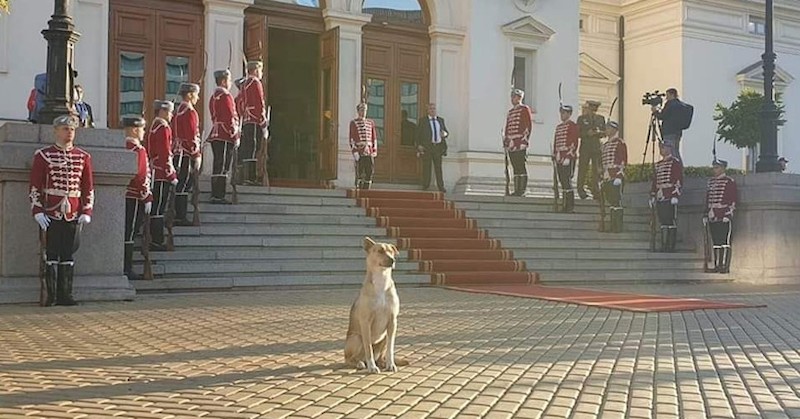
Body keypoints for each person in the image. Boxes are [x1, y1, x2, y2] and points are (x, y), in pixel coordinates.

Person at [29, 114, 94, 306]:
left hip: (73, 212)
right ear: (55, 131)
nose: (69, 133)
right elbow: (35, 186)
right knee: (51, 253)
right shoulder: (43, 155)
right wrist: (37, 210)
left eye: (72, 130)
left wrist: (87, 211)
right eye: (65, 129)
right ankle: (51, 295)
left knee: (68, 253)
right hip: (51, 211)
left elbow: (87, 187)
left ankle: (66, 294)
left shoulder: (83, 157)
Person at [145, 100, 178, 251]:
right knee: (158, 208)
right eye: (170, 112)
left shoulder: (153, 126)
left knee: (156, 207)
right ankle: (157, 240)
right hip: (161, 173)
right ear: (163, 111)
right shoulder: (163, 127)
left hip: (155, 170)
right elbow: (165, 153)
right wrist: (170, 174)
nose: (171, 115)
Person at [123, 116, 152, 280]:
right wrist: (146, 196)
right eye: (142, 129)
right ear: (134, 130)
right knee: (130, 233)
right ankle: (127, 267)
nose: (144, 132)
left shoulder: (121, 147)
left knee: (125, 231)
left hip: (123, 195)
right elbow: (140, 176)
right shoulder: (137, 150)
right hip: (134, 196)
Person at [172, 82, 202, 226]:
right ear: (190, 95)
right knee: (184, 185)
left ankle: (179, 214)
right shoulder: (189, 112)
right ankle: (180, 215)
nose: (198, 98)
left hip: (178, 152)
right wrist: (196, 154)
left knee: (181, 184)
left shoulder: (178, 111)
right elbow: (192, 136)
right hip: (186, 153)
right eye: (196, 94)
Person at [208, 69, 240, 204]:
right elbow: (229, 117)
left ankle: (215, 193)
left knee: (217, 164)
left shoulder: (213, 97)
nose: (231, 83)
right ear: (223, 81)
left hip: (216, 133)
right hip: (225, 134)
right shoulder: (226, 96)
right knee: (223, 166)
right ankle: (219, 195)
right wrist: (235, 134)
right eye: (229, 80)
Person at [704, 159, 737, 274]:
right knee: (716, 242)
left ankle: (724, 266)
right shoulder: (711, 182)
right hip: (713, 215)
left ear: (723, 168)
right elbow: (708, 199)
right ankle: (717, 265)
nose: (715, 170)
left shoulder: (729, 182)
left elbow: (732, 199)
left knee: (724, 242)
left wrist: (728, 214)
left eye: (717, 167)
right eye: (714, 167)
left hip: (724, 215)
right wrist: (706, 213)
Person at [238, 61, 268, 185]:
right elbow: (259, 104)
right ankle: (251, 178)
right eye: (260, 70)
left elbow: (240, 103)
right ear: (255, 70)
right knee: (253, 148)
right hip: (254, 119)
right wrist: (263, 122)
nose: (261, 73)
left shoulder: (244, 84)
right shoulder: (255, 83)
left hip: (246, 120)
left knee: (247, 148)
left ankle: (246, 177)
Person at [650, 142, 683, 252]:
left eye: (664, 147)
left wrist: (675, 195)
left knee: (670, 220)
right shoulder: (658, 164)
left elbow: (678, 179)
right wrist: (653, 195)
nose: (661, 149)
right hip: (661, 195)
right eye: (661, 147)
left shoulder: (675, 162)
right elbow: (655, 181)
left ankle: (670, 246)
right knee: (663, 221)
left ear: (669, 148)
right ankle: (664, 245)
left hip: (670, 195)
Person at [503, 88, 535, 196]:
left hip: (520, 142)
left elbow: (528, 126)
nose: (512, 99)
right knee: (515, 165)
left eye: (515, 97)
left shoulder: (524, 109)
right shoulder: (511, 112)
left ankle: (522, 189)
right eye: (512, 97)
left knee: (521, 165)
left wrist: (524, 140)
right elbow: (508, 127)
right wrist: (507, 140)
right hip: (512, 143)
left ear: (520, 98)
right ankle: (516, 189)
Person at [600, 121, 627, 233]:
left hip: (615, 175)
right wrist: (602, 177)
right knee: (611, 202)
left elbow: (623, 160)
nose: (606, 130)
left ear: (614, 129)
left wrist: (619, 176)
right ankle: (612, 226)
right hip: (607, 176)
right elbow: (603, 162)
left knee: (616, 201)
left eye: (608, 128)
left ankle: (618, 227)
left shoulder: (619, 143)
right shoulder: (605, 145)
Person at [416, 103, 449, 192]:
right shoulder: (423, 121)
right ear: (427, 110)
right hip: (427, 147)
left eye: (434, 109)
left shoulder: (440, 120)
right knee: (427, 167)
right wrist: (419, 145)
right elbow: (418, 134)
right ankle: (426, 185)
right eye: (430, 109)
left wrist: (444, 134)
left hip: (438, 147)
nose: (432, 110)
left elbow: (446, 132)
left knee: (438, 168)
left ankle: (441, 186)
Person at [552, 104, 579, 213]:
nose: (562, 115)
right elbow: (556, 142)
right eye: (561, 113)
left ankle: (569, 206)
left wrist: (568, 156)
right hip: (559, 156)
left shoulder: (572, 126)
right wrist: (555, 154)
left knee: (567, 181)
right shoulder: (559, 127)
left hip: (568, 156)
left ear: (569, 114)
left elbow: (574, 142)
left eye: (564, 113)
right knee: (562, 181)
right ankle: (564, 204)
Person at [576, 100, 605, 199]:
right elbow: (578, 133)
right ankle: (580, 189)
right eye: (591, 108)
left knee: (596, 170)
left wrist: (598, 132)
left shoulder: (601, 119)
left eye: (594, 109)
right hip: (585, 147)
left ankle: (596, 191)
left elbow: (604, 132)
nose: (593, 111)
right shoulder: (581, 119)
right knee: (583, 169)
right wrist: (587, 134)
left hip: (596, 148)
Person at [652, 88, 687, 162]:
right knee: (675, 151)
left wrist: (655, 112)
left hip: (669, 132)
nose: (666, 98)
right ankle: (679, 169)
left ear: (672, 95)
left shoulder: (670, 104)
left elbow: (662, 116)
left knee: (670, 152)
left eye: (667, 95)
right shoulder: (679, 105)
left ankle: (673, 169)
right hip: (677, 132)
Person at [349, 102, 378, 190]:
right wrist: (355, 151)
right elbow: (352, 138)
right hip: (360, 149)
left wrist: (374, 150)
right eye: (361, 110)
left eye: (364, 110)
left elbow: (374, 138)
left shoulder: (370, 123)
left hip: (368, 150)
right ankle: (359, 188)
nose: (363, 112)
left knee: (369, 170)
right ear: (358, 111)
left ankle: (367, 189)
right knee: (360, 170)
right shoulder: (354, 122)